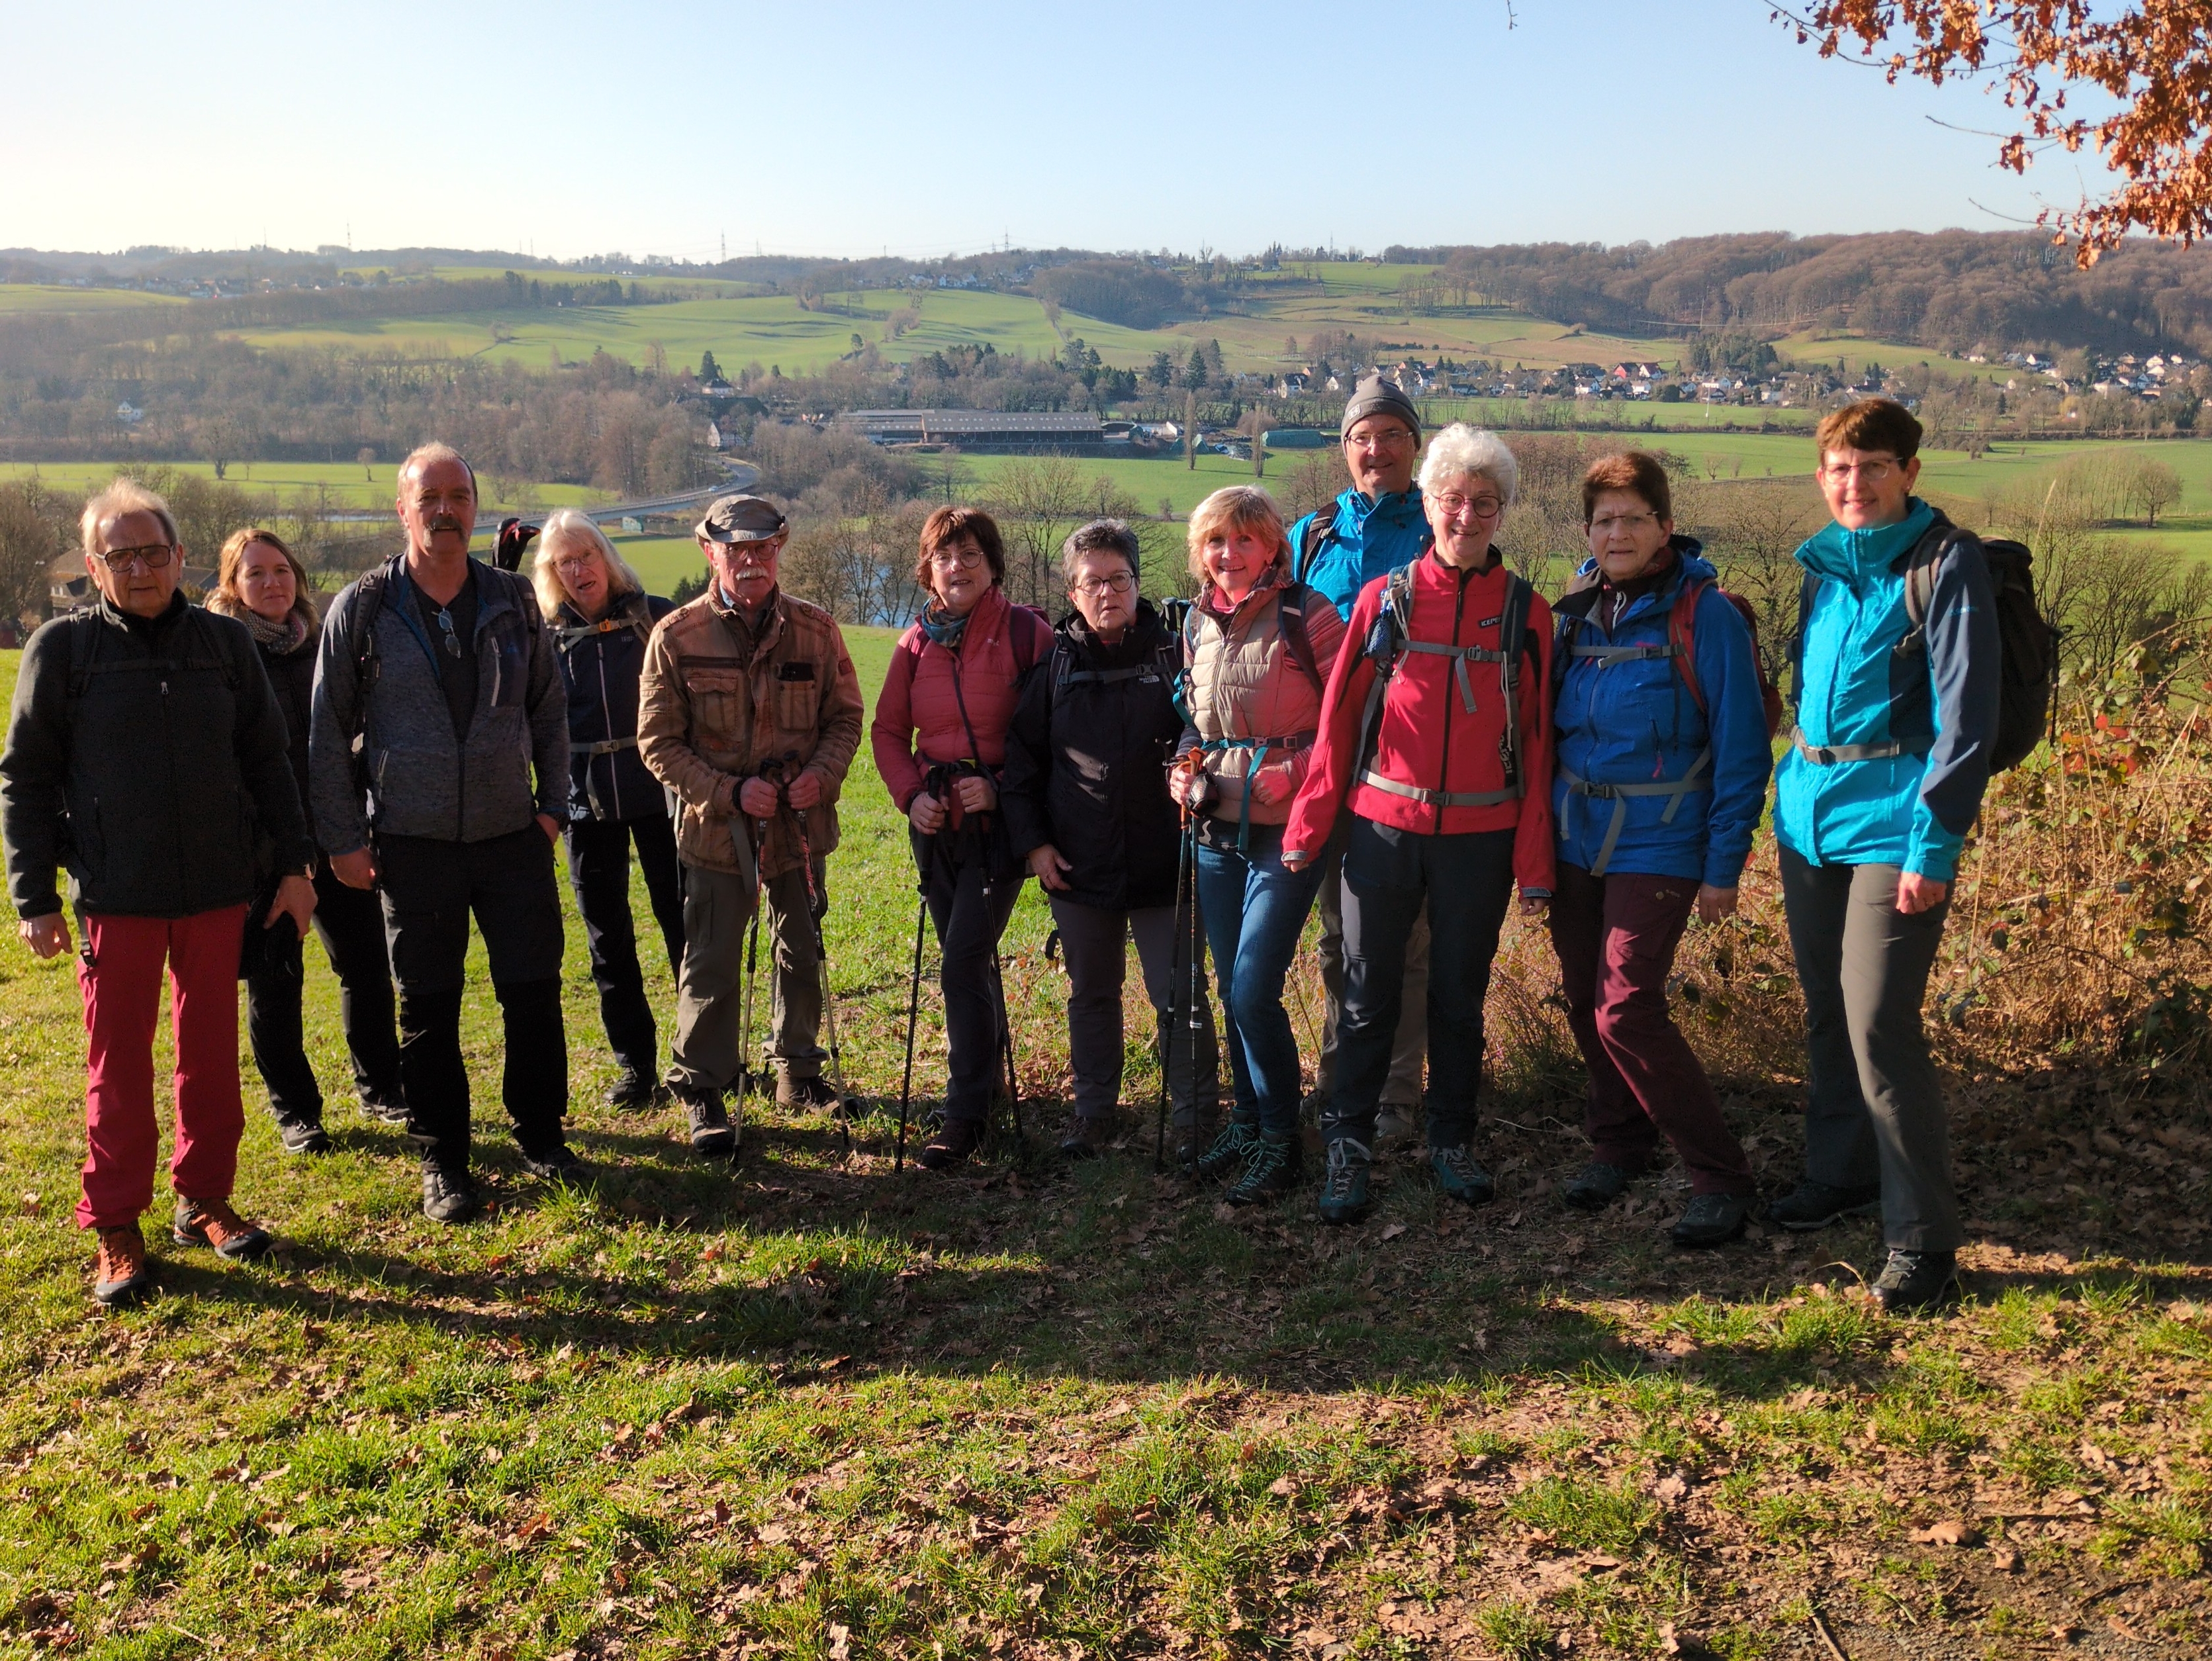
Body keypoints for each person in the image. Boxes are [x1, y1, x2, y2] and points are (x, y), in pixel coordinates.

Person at [3, 481, 316, 1305]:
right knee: (118, 1069)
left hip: (219, 890)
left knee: (211, 1057)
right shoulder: (63, 653)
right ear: (96, 565)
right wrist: (33, 895)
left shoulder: (222, 643)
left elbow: (270, 761)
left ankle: (205, 1200)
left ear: (181, 556)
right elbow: (25, 778)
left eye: (152, 551)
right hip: (116, 895)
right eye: (120, 555)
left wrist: (294, 866)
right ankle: (115, 1227)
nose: (139, 568)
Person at [1285, 424, 1556, 1224]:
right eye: (1452, 500)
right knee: (1366, 995)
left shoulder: (1525, 614)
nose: (1465, 516)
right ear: (1429, 504)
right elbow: (1337, 727)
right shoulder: (1385, 599)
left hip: (1482, 839)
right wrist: (1307, 827)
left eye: (1483, 503)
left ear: (1501, 513)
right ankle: (1348, 1143)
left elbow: (1539, 747)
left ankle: (1451, 1140)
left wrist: (1535, 864)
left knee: (1458, 999)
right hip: (1382, 829)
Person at [1769, 399, 2000, 1314]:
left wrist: (1933, 844)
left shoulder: (1945, 564)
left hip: (1895, 826)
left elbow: (1964, 717)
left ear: (1908, 470)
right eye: (1836, 467)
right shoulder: (1821, 569)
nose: (1851, 483)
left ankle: (1922, 1240)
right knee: (1828, 1011)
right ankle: (1842, 1172)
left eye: (1870, 466)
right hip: (1807, 822)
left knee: (1878, 1022)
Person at [309, 442, 578, 1225]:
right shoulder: (362, 608)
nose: (444, 511)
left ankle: (540, 1133)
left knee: (534, 993)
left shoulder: (511, 599)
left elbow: (549, 709)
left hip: (510, 837)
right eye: (427, 498)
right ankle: (445, 1163)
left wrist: (553, 807)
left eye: (457, 495)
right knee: (428, 1007)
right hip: (412, 841)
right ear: (404, 510)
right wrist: (341, 838)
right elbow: (327, 733)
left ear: (475, 505)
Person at [1545, 453, 1770, 1247]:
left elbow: (1742, 749)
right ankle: (1620, 1145)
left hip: (1664, 838)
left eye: (1634, 517)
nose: (1618, 532)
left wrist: (1724, 864)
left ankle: (1719, 1174)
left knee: (1625, 1007)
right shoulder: (1573, 611)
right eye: (1604, 519)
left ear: (1665, 527)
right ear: (1588, 531)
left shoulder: (1705, 615)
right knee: (1584, 1000)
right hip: (1575, 840)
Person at [637, 495, 863, 1156]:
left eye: (763, 549)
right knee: (709, 959)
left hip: (800, 825)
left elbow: (845, 718)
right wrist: (730, 791)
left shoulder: (817, 631)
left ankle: (798, 1069)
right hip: (717, 830)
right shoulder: (675, 637)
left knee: (801, 946)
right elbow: (657, 743)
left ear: (780, 550)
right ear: (709, 552)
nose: (752, 562)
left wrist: (821, 774)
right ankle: (704, 1087)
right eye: (737, 551)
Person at [1001, 520, 1219, 1160]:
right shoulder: (1053, 667)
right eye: (1092, 582)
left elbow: (1200, 726)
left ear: (1136, 583)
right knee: (1091, 994)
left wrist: (1189, 762)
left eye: (1118, 579)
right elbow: (1021, 764)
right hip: (1078, 865)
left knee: (1178, 992)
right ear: (1072, 591)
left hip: (1164, 862)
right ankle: (1093, 1112)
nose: (1107, 593)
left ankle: (1195, 1117)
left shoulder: (1174, 654)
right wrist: (1036, 848)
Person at [1172, 487, 1347, 1204]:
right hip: (1215, 826)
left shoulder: (1312, 615)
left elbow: (1350, 718)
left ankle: (1281, 1139)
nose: (1230, 554)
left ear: (1274, 545)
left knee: (1252, 989)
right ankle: (1245, 1123)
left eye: (1245, 540)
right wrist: (1181, 773)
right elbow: (1192, 722)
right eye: (1217, 541)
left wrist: (1295, 771)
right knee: (1228, 985)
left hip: (1291, 830)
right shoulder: (1195, 623)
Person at [207, 527, 404, 1156]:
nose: (272, 583)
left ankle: (382, 1088)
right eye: (255, 573)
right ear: (233, 587)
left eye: (281, 570)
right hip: (265, 850)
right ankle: (296, 1110)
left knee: (367, 968)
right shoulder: (226, 657)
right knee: (275, 981)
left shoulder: (324, 646)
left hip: (337, 834)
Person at [871, 507, 1052, 1170]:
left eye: (970, 554)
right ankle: (991, 1082)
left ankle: (966, 1112)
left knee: (959, 961)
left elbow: (1052, 736)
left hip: (1000, 829)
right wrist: (912, 794)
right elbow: (889, 732)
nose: (957, 567)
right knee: (965, 957)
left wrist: (1000, 787)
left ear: (994, 563)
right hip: (936, 824)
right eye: (945, 556)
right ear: (928, 568)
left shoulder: (1029, 634)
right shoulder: (915, 641)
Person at [1285, 375, 1432, 1144]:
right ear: (1344, 450)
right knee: (1339, 939)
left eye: (1391, 435)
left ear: (1416, 444)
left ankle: (1398, 1098)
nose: (1375, 449)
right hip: (1324, 766)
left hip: (1412, 764)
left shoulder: (1441, 526)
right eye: (1360, 438)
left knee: (1403, 937)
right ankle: (1344, 1079)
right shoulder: (1311, 536)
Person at [532, 510, 684, 1110]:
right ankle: (635, 1067)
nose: (577, 569)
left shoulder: (653, 612)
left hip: (658, 794)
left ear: (605, 556)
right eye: (564, 561)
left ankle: (702, 1055)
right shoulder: (543, 635)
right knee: (607, 940)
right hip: (585, 803)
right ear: (552, 571)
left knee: (682, 925)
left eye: (585, 555)